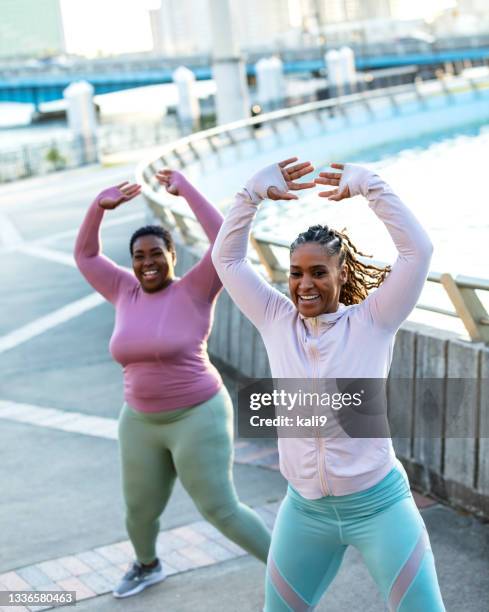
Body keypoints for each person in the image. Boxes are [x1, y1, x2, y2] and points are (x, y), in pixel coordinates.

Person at [211, 158, 445, 611]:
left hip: (378, 507)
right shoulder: (276, 319)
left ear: (342, 275)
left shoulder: (374, 321)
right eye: (296, 273)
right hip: (304, 512)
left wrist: (370, 186)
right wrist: (250, 195)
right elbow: (228, 258)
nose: (304, 284)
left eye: (319, 272)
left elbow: (418, 252)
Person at [74, 170, 270, 599]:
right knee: (139, 512)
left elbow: (226, 241)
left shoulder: (197, 289)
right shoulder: (124, 290)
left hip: (197, 414)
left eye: (156, 253)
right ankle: (147, 565)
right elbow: (87, 256)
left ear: (172, 256)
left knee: (220, 509)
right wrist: (98, 208)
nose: (147, 263)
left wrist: (187, 191)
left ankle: (289, 573)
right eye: (139, 256)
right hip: (140, 420)